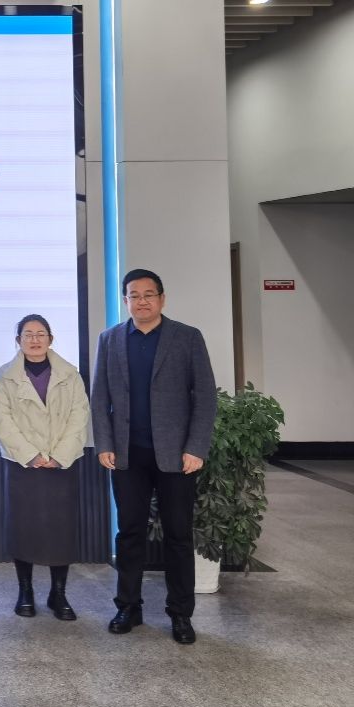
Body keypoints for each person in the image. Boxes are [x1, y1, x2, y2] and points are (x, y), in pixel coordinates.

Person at [91, 269, 217, 645]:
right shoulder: (110, 339)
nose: (141, 301)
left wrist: (196, 447)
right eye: (134, 295)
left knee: (178, 535)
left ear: (162, 298)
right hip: (127, 455)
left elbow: (205, 396)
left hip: (177, 457)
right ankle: (128, 607)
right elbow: (100, 398)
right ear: (125, 301)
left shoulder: (187, 337)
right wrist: (104, 443)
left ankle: (180, 614)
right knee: (129, 533)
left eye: (149, 294)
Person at [0, 314, 90, 622]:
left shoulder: (70, 375)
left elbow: (79, 416)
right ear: (18, 340)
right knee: (24, 529)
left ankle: (58, 593)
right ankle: (26, 592)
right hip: (23, 464)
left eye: (40, 334)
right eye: (28, 334)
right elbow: (3, 421)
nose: (34, 340)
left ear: (51, 339)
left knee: (61, 530)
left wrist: (59, 455)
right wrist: (32, 454)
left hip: (62, 463)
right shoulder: (3, 376)